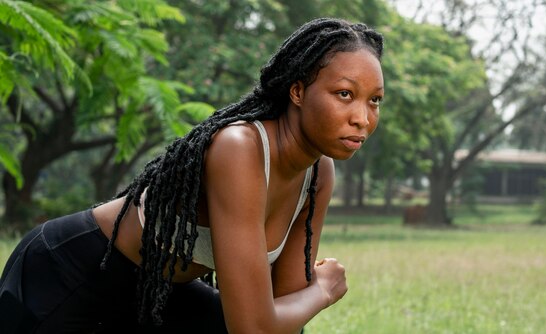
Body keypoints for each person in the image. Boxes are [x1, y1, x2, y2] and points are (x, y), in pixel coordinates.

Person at [0, 17, 384, 333]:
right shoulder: (240, 148)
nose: (362, 119)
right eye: (345, 94)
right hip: (69, 276)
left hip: (160, 295)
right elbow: (253, 328)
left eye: (375, 101)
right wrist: (324, 292)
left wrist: (304, 296)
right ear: (297, 91)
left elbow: (282, 309)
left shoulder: (319, 173)